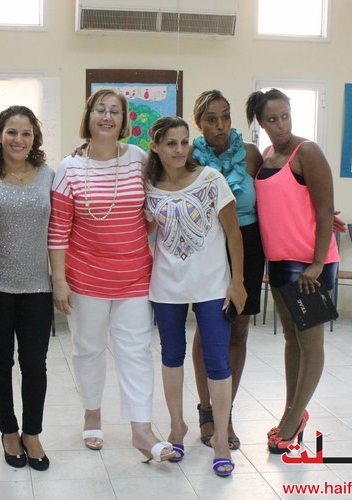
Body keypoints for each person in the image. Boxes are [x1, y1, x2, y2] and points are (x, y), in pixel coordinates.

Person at [48, 88, 176, 463]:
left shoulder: (139, 159)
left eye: (115, 111)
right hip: (85, 279)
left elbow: (151, 214)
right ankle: (92, 415)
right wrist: (59, 280)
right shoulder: (69, 168)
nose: (107, 116)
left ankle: (141, 429)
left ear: (123, 120)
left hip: (134, 276)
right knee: (88, 350)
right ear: (88, 116)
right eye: (100, 110)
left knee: (136, 352)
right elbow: (58, 230)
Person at [144, 116, 246, 476]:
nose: (179, 149)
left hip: (212, 286)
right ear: (156, 146)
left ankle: (220, 438)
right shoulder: (149, 187)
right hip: (167, 286)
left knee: (217, 361)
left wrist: (238, 282)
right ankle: (177, 426)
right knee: (171, 356)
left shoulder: (211, 180)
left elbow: (234, 233)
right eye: (171, 143)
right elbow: (146, 229)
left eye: (184, 142)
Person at [246, 88, 339, 454]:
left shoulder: (308, 151)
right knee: (291, 338)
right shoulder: (267, 155)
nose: (281, 124)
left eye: (285, 115)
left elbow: (325, 209)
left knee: (310, 343)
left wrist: (316, 263)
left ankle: (294, 418)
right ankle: (291, 411)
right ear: (260, 123)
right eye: (272, 119)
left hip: (310, 266)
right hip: (280, 262)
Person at [0, 106, 54, 471]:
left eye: (26, 133)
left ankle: (32, 432)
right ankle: (9, 431)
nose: (18, 139)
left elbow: (59, 230)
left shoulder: (48, 175)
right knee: (0, 361)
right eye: (11, 132)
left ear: (34, 138)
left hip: (37, 285)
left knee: (35, 363)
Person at [189, 90, 264, 450]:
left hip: (247, 244)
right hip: (208, 246)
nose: (220, 126)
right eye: (211, 119)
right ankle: (206, 411)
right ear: (198, 124)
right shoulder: (190, 158)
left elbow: (279, 188)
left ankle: (225, 412)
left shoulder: (251, 154)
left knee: (239, 330)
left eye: (225, 117)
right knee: (208, 328)